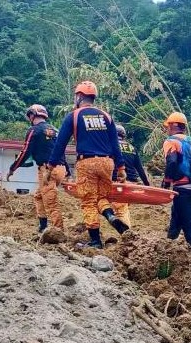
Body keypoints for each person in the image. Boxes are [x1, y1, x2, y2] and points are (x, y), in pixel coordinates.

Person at [48, 80, 128, 249]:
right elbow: (115, 144)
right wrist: (121, 168)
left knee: (88, 201)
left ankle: (95, 241)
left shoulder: (74, 116)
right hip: (107, 162)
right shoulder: (106, 116)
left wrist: (51, 164)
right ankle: (111, 216)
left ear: (79, 96)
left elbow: (60, 143)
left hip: (87, 162)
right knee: (101, 197)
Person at [6, 104, 69, 233]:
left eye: (29, 115)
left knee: (50, 202)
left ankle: (58, 231)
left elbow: (25, 151)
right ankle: (43, 226)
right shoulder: (56, 131)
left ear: (32, 115)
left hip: (47, 170)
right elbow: (61, 150)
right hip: (61, 168)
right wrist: (67, 170)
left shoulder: (34, 130)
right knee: (39, 196)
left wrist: (13, 168)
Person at [161, 112, 191, 257]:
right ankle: (166, 251)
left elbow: (172, 162)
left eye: (168, 126)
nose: (167, 129)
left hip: (184, 188)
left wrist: (166, 182)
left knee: (189, 227)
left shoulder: (171, 141)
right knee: (177, 219)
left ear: (173, 126)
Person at [111, 124, 150, 228]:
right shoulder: (132, 148)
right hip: (132, 183)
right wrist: (147, 185)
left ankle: (127, 234)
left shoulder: (110, 146)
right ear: (124, 136)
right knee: (122, 207)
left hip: (117, 182)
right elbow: (140, 169)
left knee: (119, 210)